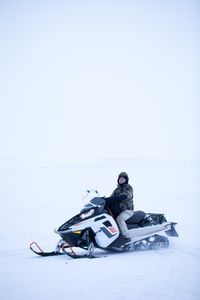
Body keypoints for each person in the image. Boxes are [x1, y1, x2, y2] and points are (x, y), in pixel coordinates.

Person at [105, 172, 134, 241]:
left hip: (127, 210)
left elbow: (127, 195)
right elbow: (112, 197)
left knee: (119, 219)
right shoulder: (116, 190)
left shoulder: (128, 187)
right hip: (119, 210)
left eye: (123, 179)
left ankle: (126, 236)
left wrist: (121, 196)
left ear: (126, 180)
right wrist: (104, 200)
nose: (121, 180)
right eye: (120, 178)